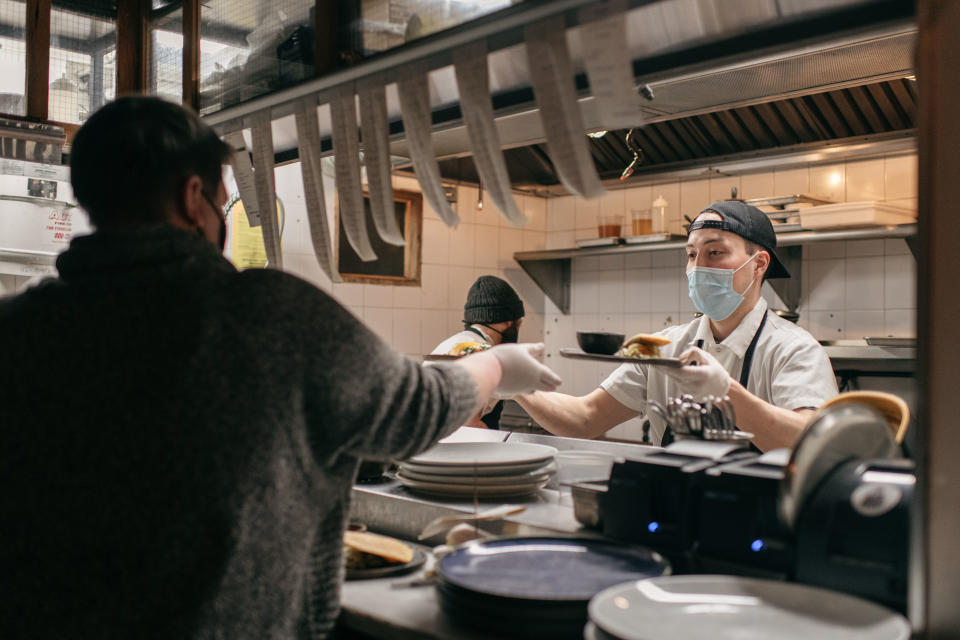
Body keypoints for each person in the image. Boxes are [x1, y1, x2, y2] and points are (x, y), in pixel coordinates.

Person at [0, 96, 561, 640]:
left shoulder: (17, 326)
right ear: (193, 198)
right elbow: (414, 408)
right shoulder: (268, 312)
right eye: (223, 202)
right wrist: (493, 367)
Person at [517, 201, 838, 452]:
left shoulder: (794, 350)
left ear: (759, 264)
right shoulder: (663, 349)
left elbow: (810, 442)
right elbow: (585, 419)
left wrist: (727, 393)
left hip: (759, 518)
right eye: (691, 254)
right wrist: (518, 385)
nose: (698, 267)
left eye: (715, 253)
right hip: (674, 509)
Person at [431, 275, 525, 429]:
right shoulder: (480, 353)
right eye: (517, 325)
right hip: (454, 448)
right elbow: (468, 424)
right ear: (507, 323)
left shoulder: (447, 344)